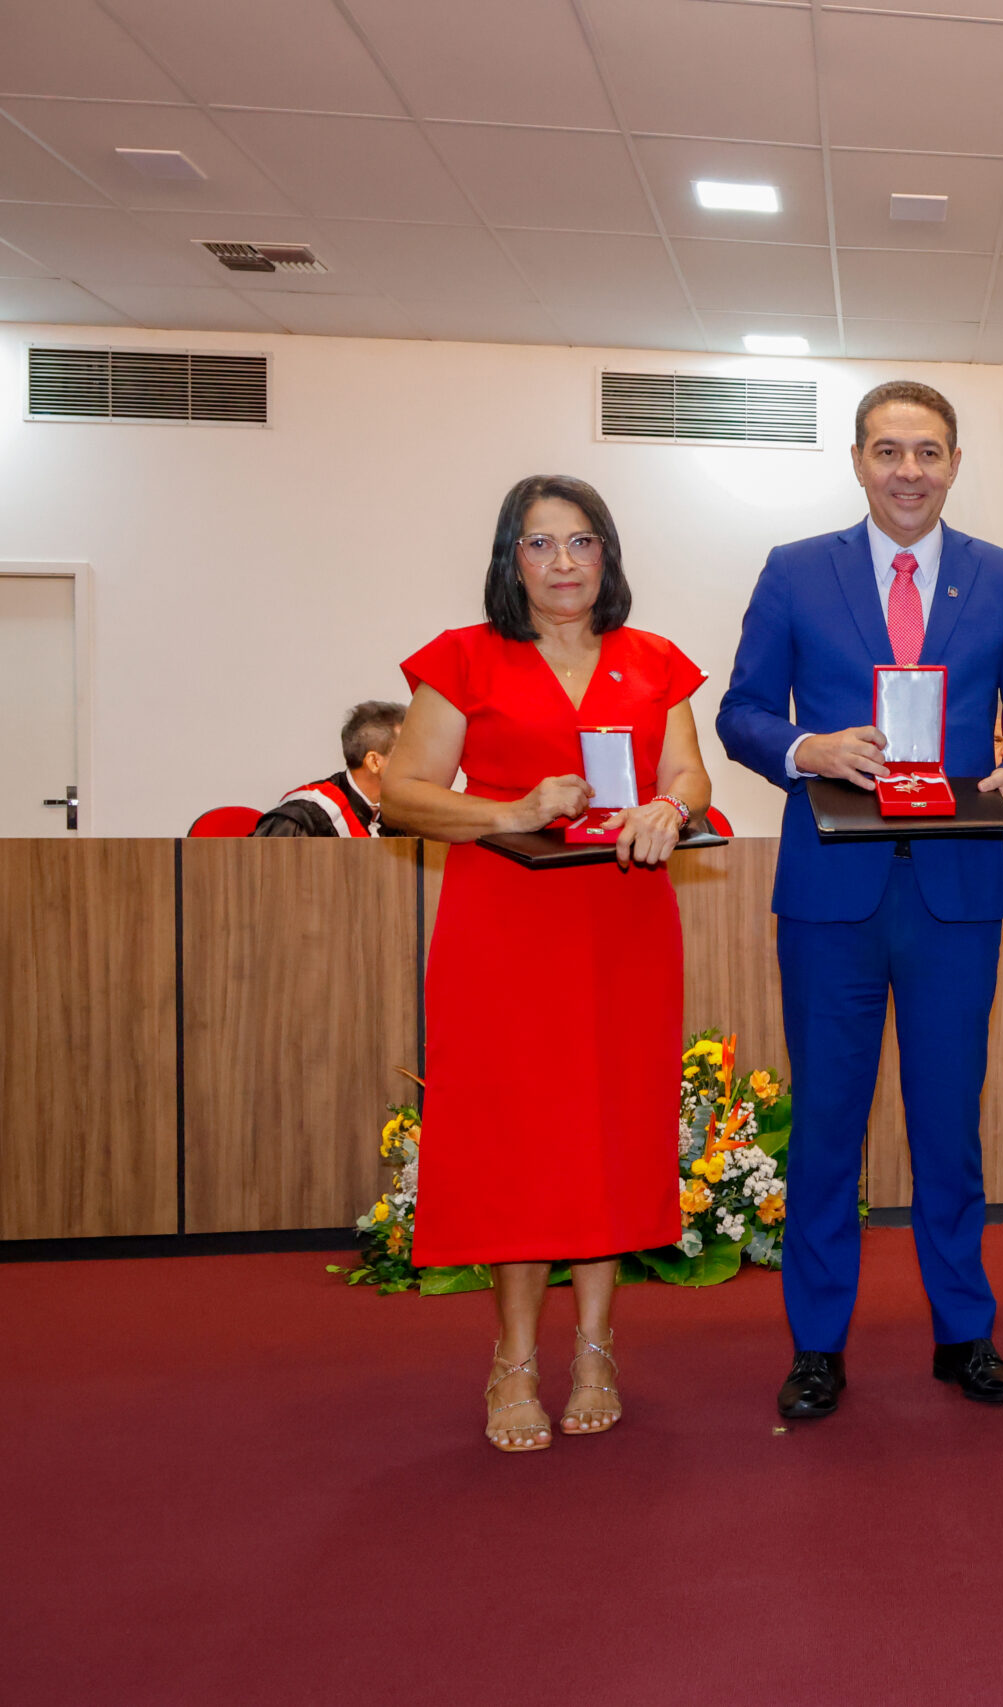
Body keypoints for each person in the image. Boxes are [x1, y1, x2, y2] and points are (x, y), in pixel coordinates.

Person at [718, 381, 1003, 1424]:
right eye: (887, 451)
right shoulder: (794, 570)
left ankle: (963, 1332)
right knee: (827, 1126)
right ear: (858, 461)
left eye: (927, 452)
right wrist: (807, 748)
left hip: (956, 892)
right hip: (832, 893)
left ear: (954, 463)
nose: (907, 471)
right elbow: (740, 711)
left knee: (948, 1127)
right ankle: (817, 1344)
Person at [381, 475, 713, 1452]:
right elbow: (403, 794)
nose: (563, 562)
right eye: (539, 544)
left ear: (608, 554)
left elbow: (688, 772)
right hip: (504, 930)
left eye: (581, 542)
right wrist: (510, 811)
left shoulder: (655, 661)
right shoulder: (464, 657)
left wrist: (673, 806)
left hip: (623, 927)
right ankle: (515, 1358)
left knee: (610, 1130)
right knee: (516, 1139)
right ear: (510, 559)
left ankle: (598, 1347)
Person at [252, 700, 405, 836]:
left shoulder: (397, 818)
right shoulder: (306, 817)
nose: (415, 765)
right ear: (374, 762)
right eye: (409, 753)